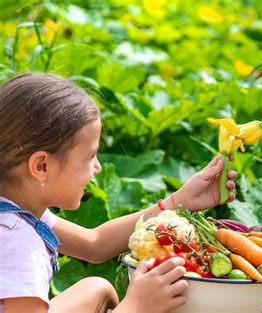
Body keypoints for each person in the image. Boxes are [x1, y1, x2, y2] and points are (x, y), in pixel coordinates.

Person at [0, 73, 237, 313]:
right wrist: (136, 306)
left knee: (98, 289)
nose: (97, 167)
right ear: (42, 166)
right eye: (90, 156)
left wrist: (179, 201)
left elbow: (95, 245)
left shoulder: (15, 210)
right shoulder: (17, 242)